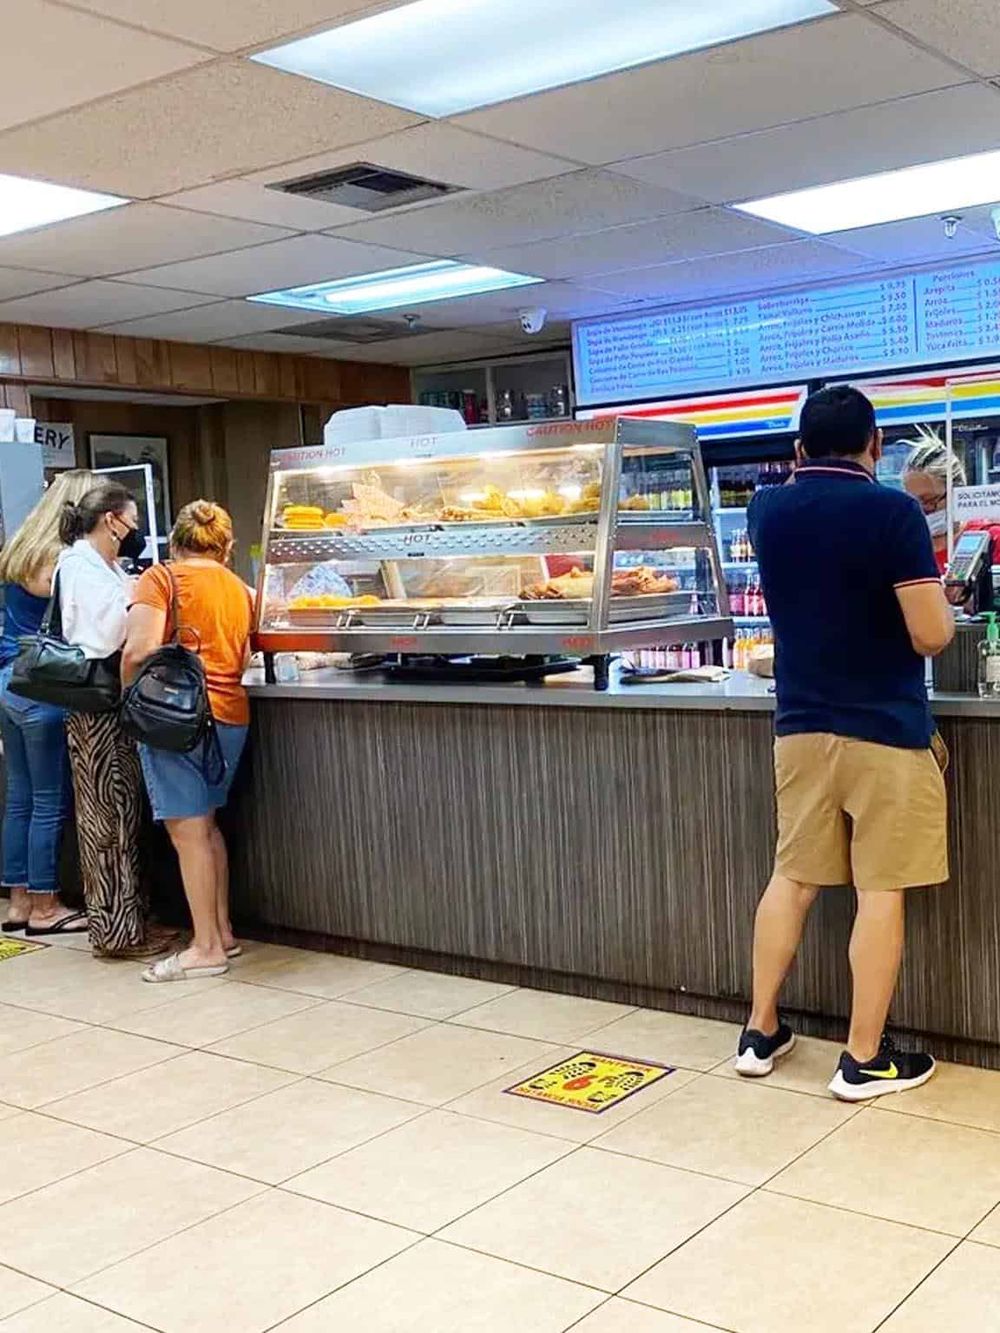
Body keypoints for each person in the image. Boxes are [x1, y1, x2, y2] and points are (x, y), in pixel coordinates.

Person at [735, 386, 955, 1101]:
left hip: (799, 726)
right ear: (875, 446)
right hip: (885, 730)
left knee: (791, 878)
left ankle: (760, 1029)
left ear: (799, 449)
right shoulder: (892, 511)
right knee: (879, 888)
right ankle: (863, 1059)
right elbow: (929, 633)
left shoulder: (766, 509)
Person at [123, 501, 252, 983]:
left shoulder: (161, 578)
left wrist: (126, 697)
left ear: (176, 541)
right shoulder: (240, 587)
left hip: (177, 720)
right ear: (227, 547)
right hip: (231, 716)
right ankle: (222, 931)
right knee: (208, 827)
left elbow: (138, 649)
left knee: (187, 833)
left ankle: (204, 948)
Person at [59, 481, 172, 959]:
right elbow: (104, 635)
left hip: (110, 702)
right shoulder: (80, 566)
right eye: (133, 521)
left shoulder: (101, 564)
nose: (137, 530)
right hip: (96, 702)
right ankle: (116, 933)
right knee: (106, 819)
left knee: (124, 814)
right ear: (112, 521)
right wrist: (136, 602)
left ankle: (132, 922)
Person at [0, 469, 96, 936]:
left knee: (18, 798)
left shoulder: (20, 545)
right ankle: (44, 907)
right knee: (47, 801)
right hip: (43, 688)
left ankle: (17, 902)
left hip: (7, 682)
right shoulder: (60, 558)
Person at [901, 430, 967, 574]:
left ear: (956, 492)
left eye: (929, 501)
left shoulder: (988, 536)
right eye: (913, 501)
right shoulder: (904, 545)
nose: (922, 510)